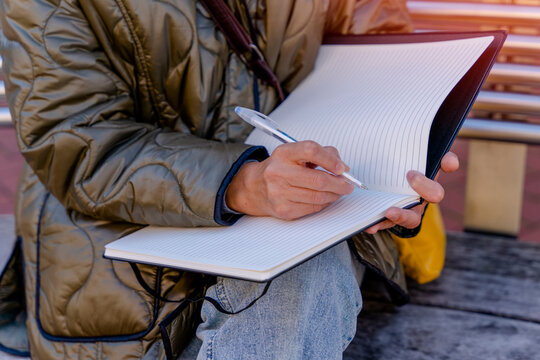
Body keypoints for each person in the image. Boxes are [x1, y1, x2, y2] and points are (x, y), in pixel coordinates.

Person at [0, 0, 458, 359]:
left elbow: (384, 67)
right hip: (112, 236)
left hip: (311, 211)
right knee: (302, 272)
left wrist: (398, 167)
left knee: (303, 266)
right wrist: (244, 183)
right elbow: (74, 140)